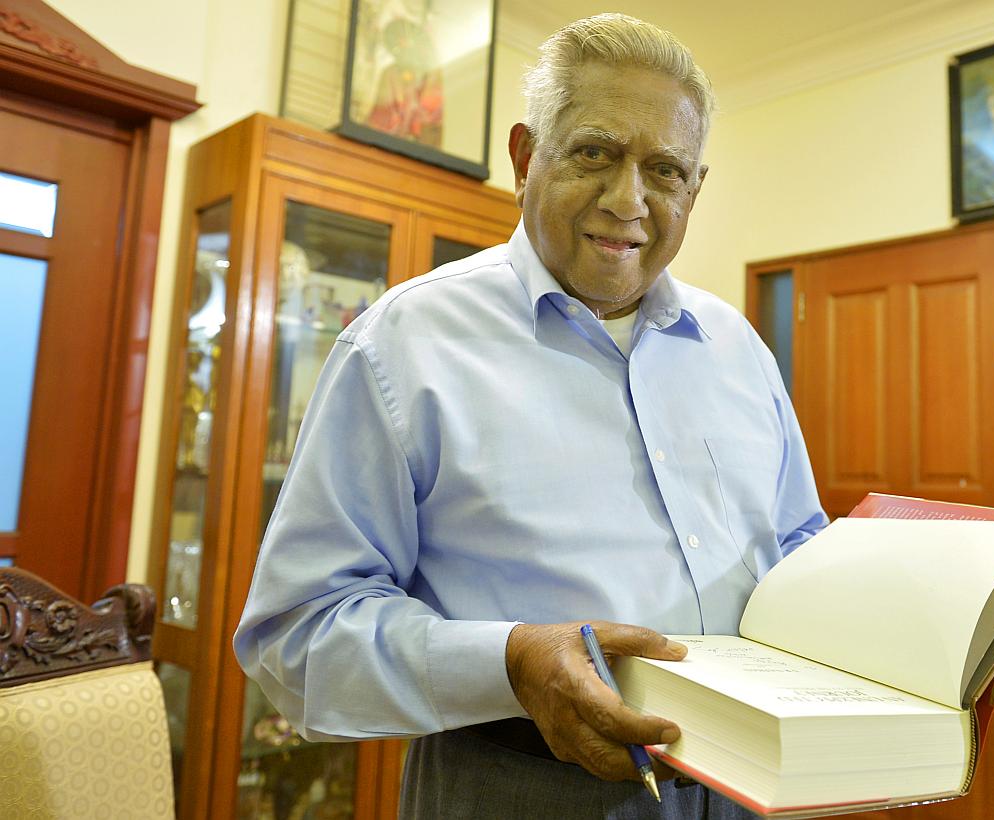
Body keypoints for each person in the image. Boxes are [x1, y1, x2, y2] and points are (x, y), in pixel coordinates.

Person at [234, 13, 826, 819]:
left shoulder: (738, 349)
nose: (629, 200)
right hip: (514, 783)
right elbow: (298, 634)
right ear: (524, 157)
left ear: (694, 187)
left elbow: (796, 550)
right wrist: (510, 662)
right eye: (595, 153)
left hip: (751, 786)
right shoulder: (404, 345)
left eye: (663, 170)